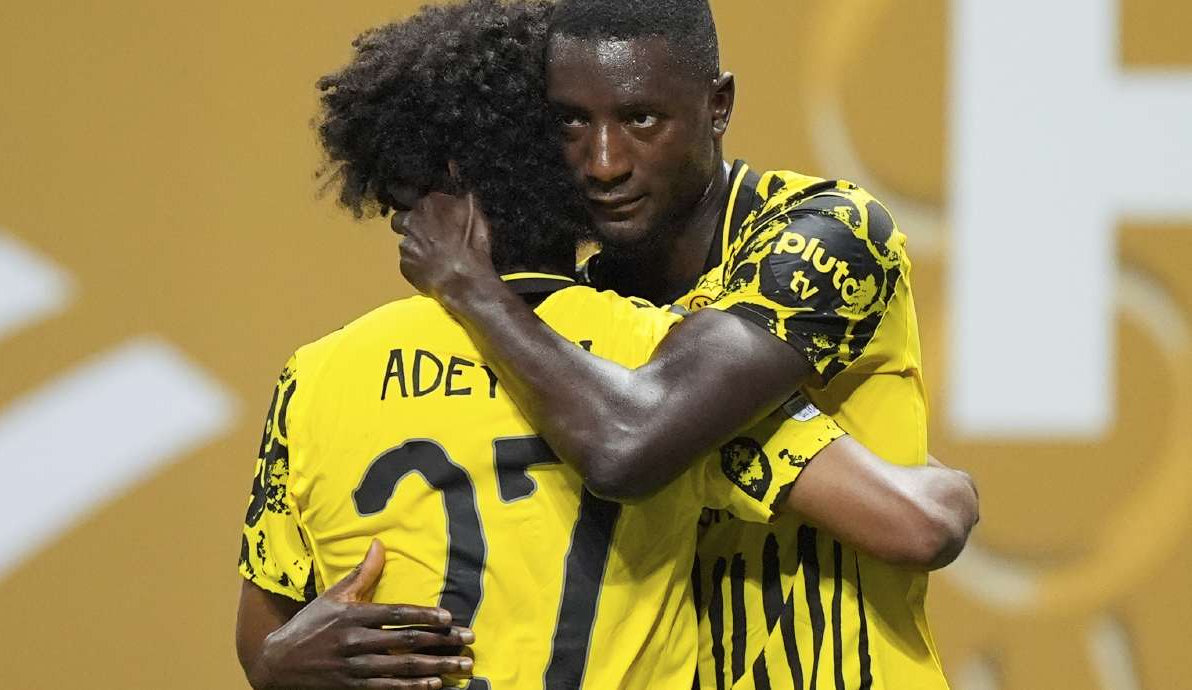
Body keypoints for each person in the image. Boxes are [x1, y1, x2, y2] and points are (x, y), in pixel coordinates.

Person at [234, 2, 966, 689]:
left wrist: (469, 283)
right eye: (571, 125)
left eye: (642, 118)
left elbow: (631, 438)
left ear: (719, 106)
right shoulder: (575, 341)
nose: (604, 161)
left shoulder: (827, 233)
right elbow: (921, 516)